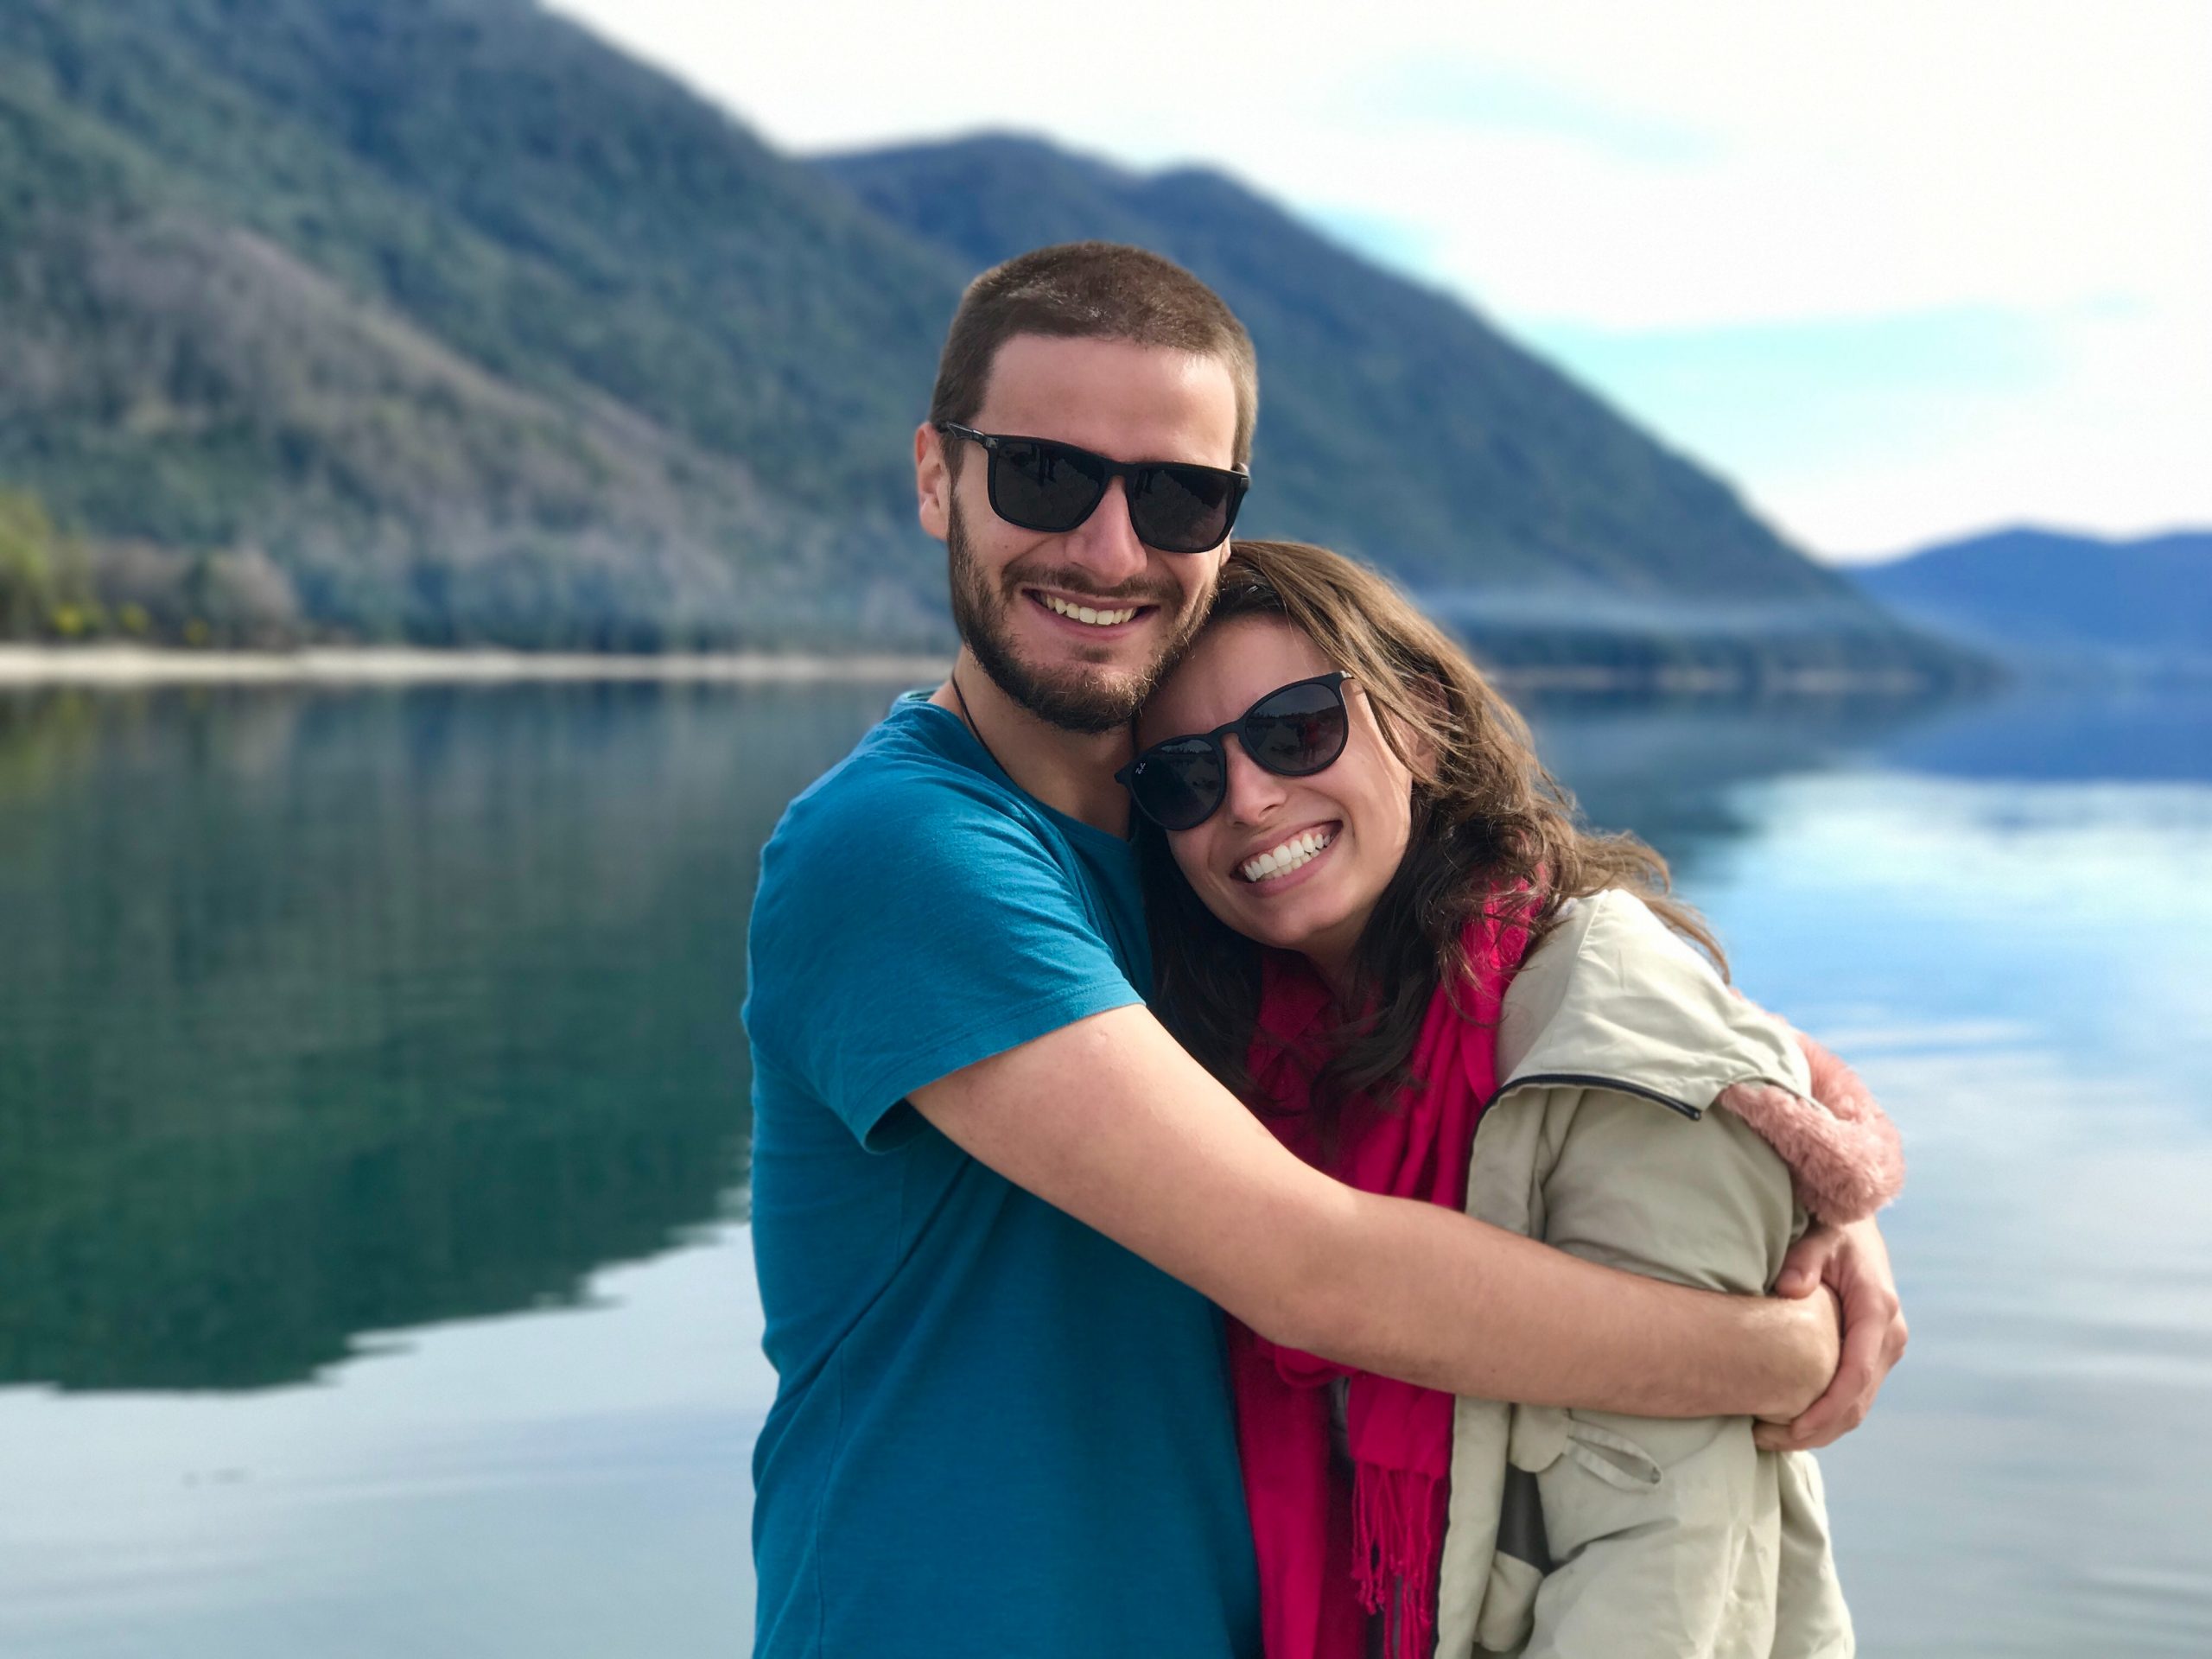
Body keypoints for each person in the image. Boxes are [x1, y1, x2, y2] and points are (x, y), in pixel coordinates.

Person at [741, 241, 1907, 1658]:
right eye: (1044, 476)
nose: (1110, 547)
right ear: (937, 477)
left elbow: (1569, 1025)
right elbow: (1314, 1272)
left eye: (1177, 494)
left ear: (1227, 526)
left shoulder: (1186, 858)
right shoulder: (906, 856)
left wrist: (1803, 1199)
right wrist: (1770, 1348)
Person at [1130, 538, 1906, 1658]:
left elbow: (1661, 1568)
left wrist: (1794, 1336)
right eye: (1185, 777)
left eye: (1296, 730)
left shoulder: (1622, 1048)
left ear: (1424, 718)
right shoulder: (1254, 1059)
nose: (1247, 797)